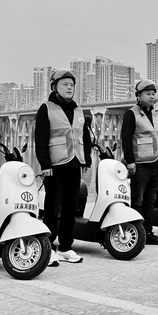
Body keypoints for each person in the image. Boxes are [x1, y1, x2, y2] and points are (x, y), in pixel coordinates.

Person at [35, 69, 92, 266]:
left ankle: (66, 247)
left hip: (74, 164)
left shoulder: (78, 110)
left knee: (70, 208)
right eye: (65, 84)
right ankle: (49, 248)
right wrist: (45, 164)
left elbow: (84, 137)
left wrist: (87, 161)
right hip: (55, 166)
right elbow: (41, 138)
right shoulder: (46, 108)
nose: (69, 88)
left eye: (72, 85)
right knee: (52, 208)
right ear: (54, 87)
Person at [120, 79, 158, 245]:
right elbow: (126, 139)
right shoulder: (131, 114)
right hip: (139, 165)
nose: (152, 97)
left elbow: (157, 138)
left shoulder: (155, 115)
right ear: (138, 96)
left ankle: (147, 232)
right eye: (148, 94)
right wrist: (130, 161)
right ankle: (135, 232)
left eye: (153, 94)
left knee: (150, 200)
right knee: (137, 200)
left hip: (155, 164)